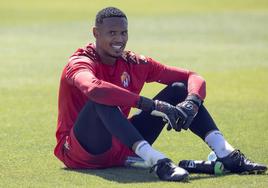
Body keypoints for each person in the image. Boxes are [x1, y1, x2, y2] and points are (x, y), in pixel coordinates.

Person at [54, 7, 267, 182]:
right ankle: (158, 162)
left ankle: (227, 154)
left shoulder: (133, 62)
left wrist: (192, 102)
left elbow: (192, 77)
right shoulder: (80, 62)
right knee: (101, 100)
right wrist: (152, 105)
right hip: (79, 151)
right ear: (95, 33)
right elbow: (95, 89)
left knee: (178, 89)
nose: (119, 39)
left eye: (123, 32)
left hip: (121, 146)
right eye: (112, 33)